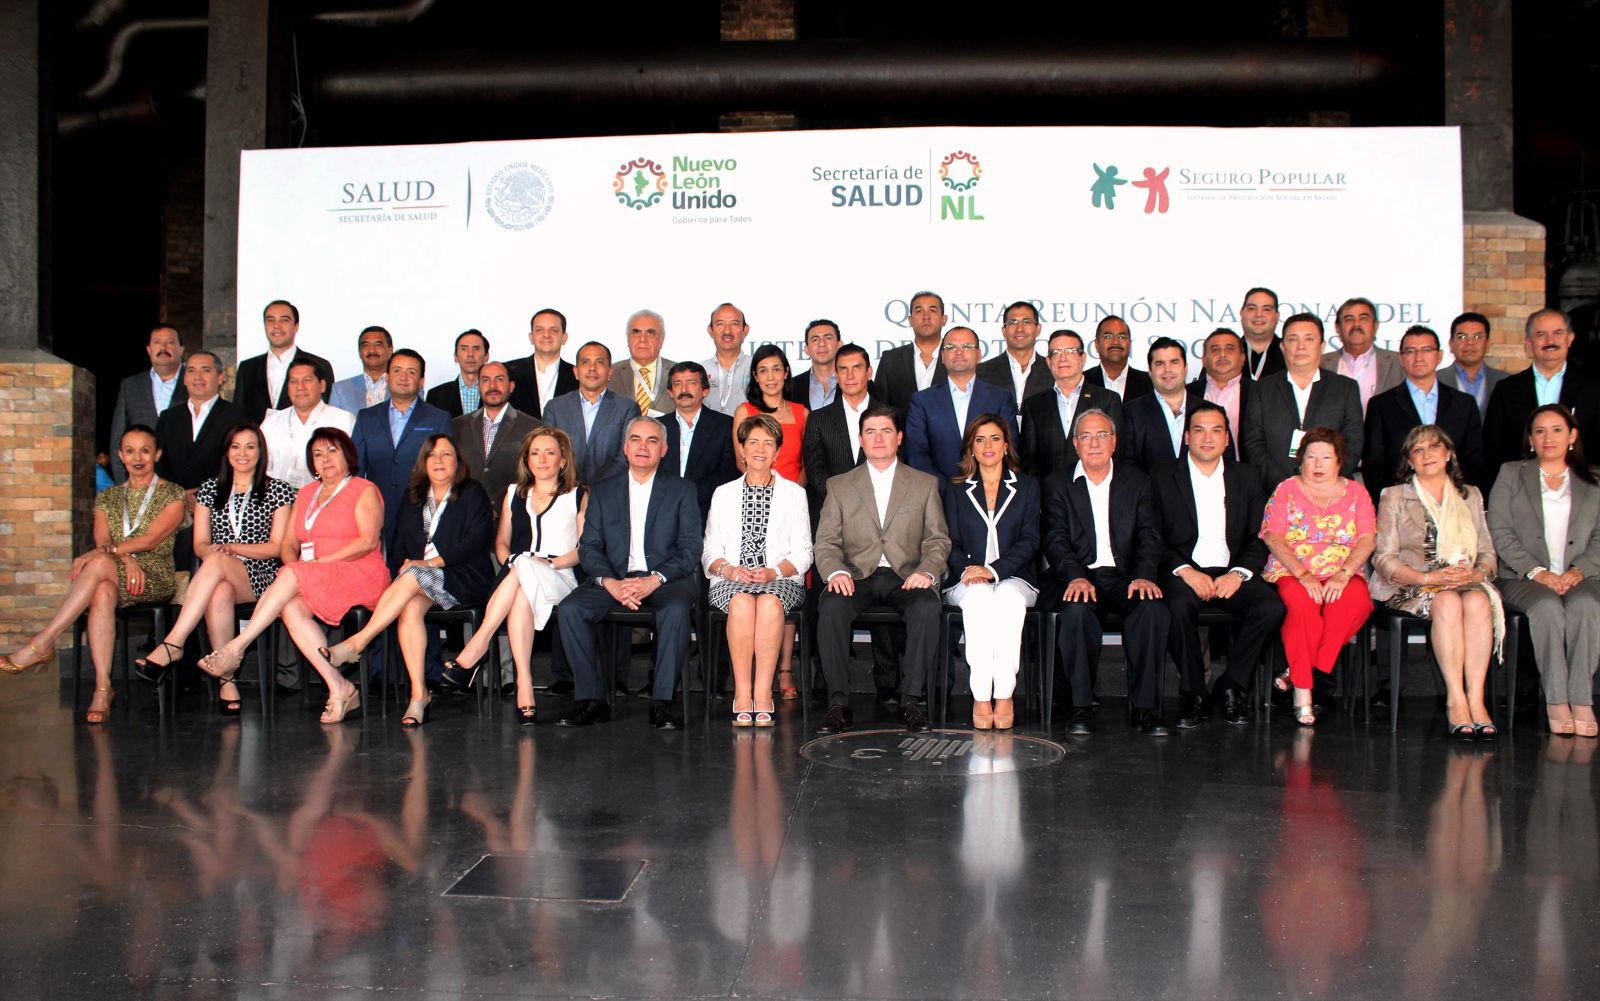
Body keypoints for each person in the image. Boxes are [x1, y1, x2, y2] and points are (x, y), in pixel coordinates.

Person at [197, 427, 388, 724]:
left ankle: (235, 648)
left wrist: (317, 563)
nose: (325, 459)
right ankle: (341, 687)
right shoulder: (306, 494)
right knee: (290, 606)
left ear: (348, 455)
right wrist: (298, 566)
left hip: (358, 572)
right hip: (315, 573)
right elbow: (287, 545)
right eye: (317, 454)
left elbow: (368, 541)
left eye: (332, 451)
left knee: (291, 575)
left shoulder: (363, 489)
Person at [1, 426, 184, 724]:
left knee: (97, 564)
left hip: (153, 574)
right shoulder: (108, 497)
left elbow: (149, 541)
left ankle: (44, 641)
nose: (137, 457)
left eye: (145, 450)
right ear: (120, 456)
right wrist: (124, 558)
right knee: (101, 590)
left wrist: (116, 556)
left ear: (157, 454)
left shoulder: (172, 493)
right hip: (115, 570)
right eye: (130, 450)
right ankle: (102, 687)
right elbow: (102, 543)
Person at [322, 435, 496, 727]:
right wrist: (411, 565)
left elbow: (475, 542)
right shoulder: (414, 497)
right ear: (423, 463)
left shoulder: (471, 492)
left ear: (458, 462)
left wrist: (428, 564)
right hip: (422, 581)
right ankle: (419, 694)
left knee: (412, 576)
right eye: (432, 455)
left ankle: (359, 641)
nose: (438, 461)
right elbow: (399, 543)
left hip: (464, 576)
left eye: (446, 455)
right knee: (410, 608)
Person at [133, 423, 297, 713]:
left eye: (250, 446)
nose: (242, 453)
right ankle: (227, 679)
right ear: (226, 452)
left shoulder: (278, 490)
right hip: (218, 572)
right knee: (218, 589)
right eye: (235, 446)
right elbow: (199, 544)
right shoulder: (210, 489)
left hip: (260, 574)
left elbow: (275, 547)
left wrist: (231, 549)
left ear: (261, 452)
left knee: (215, 561)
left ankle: (173, 644)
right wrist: (218, 553)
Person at [433, 427, 588, 725]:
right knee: (520, 584)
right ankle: (525, 686)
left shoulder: (579, 494)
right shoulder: (513, 494)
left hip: (562, 575)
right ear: (526, 460)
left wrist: (549, 563)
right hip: (518, 578)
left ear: (563, 459)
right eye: (535, 453)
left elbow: (583, 549)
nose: (542, 459)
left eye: (550, 452)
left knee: (524, 567)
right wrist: (517, 562)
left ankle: (476, 648)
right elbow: (501, 545)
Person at [812, 405, 951, 734]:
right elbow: (826, 542)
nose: (878, 438)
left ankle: (911, 701)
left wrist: (928, 570)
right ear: (860, 439)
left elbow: (938, 540)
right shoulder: (839, 485)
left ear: (899, 438)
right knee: (830, 605)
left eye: (886, 431)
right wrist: (836, 573)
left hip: (906, 576)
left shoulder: (924, 484)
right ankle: (839, 703)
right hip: (857, 575)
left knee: (928, 607)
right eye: (870, 432)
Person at [557, 417, 702, 730]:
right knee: (570, 609)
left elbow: (690, 550)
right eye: (635, 439)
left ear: (663, 450)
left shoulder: (681, 490)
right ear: (625, 447)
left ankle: (662, 702)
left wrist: (654, 579)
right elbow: (590, 548)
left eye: (651, 441)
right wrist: (610, 583)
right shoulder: (604, 491)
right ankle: (592, 699)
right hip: (614, 579)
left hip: (665, 579)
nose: (642, 447)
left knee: (676, 610)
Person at [1152, 402, 1283, 727]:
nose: (1207, 438)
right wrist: (1185, 572)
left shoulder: (1247, 477)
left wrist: (1238, 574)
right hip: (1184, 571)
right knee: (1174, 607)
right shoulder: (1162, 477)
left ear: (1227, 439)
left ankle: (1232, 685)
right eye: (1199, 430)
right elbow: (1153, 536)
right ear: (1186, 437)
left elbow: (1260, 536)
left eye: (1216, 431)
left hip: (1233, 571)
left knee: (1270, 608)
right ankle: (1194, 691)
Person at [1041, 409, 1171, 736]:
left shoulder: (1138, 482)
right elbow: (1054, 538)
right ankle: (1081, 708)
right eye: (1086, 436)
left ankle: (1145, 710)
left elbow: (1151, 535)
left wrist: (1144, 574)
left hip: (1127, 576)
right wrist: (1075, 575)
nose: (1094, 443)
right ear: (1075, 444)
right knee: (1076, 612)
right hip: (1080, 575)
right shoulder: (1057, 484)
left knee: (1152, 610)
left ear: (1114, 442)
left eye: (1101, 435)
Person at [1371, 424, 1502, 740]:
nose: (1426, 454)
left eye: (1433, 447)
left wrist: (1477, 574)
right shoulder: (1395, 496)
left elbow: (1487, 552)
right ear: (1409, 461)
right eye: (1418, 450)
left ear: (1448, 454)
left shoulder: (1469, 495)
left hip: (1464, 580)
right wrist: (1427, 578)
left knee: (1476, 600)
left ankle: (1476, 698)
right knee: (1447, 600)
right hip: (1412, 583)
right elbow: (1383, 557)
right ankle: (1456, 699)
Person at [1487, 404, 1600, 737]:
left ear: (1572, 436)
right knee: (1548, 608)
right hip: (1523, 578)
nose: (1547, 437)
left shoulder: (1593, 478)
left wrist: (1581, 569)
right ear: (1530, 440)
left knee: (1586, 606)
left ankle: (1581, 699)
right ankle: (1555, 700)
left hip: (1582, 576)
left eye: (1556, 430)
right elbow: (1500, 529)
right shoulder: (1511, 473)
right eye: (1539, 431)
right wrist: (1536, 571)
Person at [1259, 427, 1377, 727]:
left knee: (1356, 602)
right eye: (1311, 457)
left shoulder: (1356, 491)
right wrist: (1304, 574)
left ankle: (1303, 670)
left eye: (1326, 457)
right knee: (1301, 609)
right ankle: (1303, 692)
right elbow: (1273, 536)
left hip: (1342, 570)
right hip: (1293, 570)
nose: (1318, 464)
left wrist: (1344, 573)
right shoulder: (1287, 488)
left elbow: (1367, 539)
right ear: (1301, 460)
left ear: (1340, 462)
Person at [703, 414, 813, 727]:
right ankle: (742, 692)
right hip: (731, 579)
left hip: (780, 579)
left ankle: (763, 693)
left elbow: (804, 553)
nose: (760, 449)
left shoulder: (795, 494)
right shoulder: (723, 493)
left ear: (778, 452)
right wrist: (730, 571)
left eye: (768, 443)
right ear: (742, 449)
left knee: (767, 602)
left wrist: (773, 572)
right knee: (741, 602)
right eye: (753, 442)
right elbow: (710, 551)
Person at [941, 415, 1040, 730]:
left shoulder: (1026, 486)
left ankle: (1005, 694)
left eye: (995, 438)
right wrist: (971, 572)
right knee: (981, 600)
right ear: (970, 446)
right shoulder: (956, 489)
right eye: (980, 439)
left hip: (1015, 576)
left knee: (1008, 601)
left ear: (1007, 444)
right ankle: (981, 694)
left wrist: (993, 570)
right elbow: (950, 542)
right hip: (967, 579)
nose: (988, 445)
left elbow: (1030, 540)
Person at [1363, 325, 1484, 500]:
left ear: (1440, 355)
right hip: (1401, 506)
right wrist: (1393, 501)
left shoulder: (1464, 404)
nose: (1418, 357)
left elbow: (1475, 460)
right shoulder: (1381, 405)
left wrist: (1459, 496)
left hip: (1455, 502)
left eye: (1426, 350)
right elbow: (1374, 464)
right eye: (1410, 351)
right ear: (1401, 358)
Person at [1242, 313, 1364, 486]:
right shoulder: (1261, 389)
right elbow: (1254, 445)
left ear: (1322, 346)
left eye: (1309, 339)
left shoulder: (1345, 388)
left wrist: (1326, 482)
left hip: (1331, 495)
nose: (1300, 346)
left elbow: (1353, 442)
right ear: (1283, 347)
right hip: (1274, 492)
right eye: (1293, 340)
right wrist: (1287, 486)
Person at [351, 348, 451, 547]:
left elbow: (446, 471)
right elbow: (355, 470)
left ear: (422, 381)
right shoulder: (366, 418)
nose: (403, 377)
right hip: (375, 510)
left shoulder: (439, 418)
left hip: (421, 512)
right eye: (397, 370)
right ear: (387, 377)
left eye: (411, 372)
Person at [1484, 307, 1600, 472]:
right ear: (1529, 342)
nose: (1550, 341)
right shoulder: (1507, 390)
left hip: (1580, 486)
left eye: (1557, 333)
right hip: (1521, 488)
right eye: (1541, 335)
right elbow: (1493, 451)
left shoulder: (1593, 388)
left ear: (1570, 338)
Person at [905, 327, 1017, 481]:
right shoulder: (922, 400)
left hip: (989, 493)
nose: (959, 352)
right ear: (942, 356)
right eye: (951, 347)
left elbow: (1010, 448)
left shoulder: (1000, 398)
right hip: (938, 495)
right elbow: (916, 454)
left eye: (966, 347)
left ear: (979, 354)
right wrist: (946, 489)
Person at [1019, 329, 1125, 477]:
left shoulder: (1108, 400)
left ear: (1083, 358)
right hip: (1048, 495)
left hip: (1095, 492)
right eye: (1056, 352)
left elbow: (1117, 453)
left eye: (1070, 351)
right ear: (1049, 362)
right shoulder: (1033, 405)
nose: (1063, 358)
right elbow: (1029, 461)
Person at [155, 350, 250, 507]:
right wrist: (179, 496)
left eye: (205, 370)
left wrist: (205, 496)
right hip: (173, 508)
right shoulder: (168, 417)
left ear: (220, 377)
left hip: (222, 507)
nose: (197, 377)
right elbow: (158, 461)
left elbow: (243, 462)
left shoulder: (238, 416)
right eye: (191, 371)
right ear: (184, 378)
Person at [544, 341, 642, 485]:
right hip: (562, 490)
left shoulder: (627, 408)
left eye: (599, 362)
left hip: (609, 492)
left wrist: (594, 488)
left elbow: (625, 456)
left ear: (609, 372)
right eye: (585, 362)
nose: (592, 368)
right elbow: (547, 451)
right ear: (576, 372)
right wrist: (572, 487)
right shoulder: (555, 407)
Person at [451, 360, 541, 509]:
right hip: (467, 513)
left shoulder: (532, 426)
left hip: (512, 514)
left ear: (511, 386)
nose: (492, 386)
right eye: (485, 380)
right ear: (478, 386)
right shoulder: (458, 425)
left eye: (499, 379)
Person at [108, 323, 187, 481]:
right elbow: (118, 439)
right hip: (139, 485)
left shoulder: (195, 383)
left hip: (184, 486)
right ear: (149, 349)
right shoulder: (130, 386)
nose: (163, 347)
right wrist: (124, 485)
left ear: (181, 349)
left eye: (170, 342)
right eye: (157, 342)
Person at [662, 361, 738, 524]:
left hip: (709, 513)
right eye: (677, 384)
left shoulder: (725, 425)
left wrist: (687, 495)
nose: (684, 389)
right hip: (663, 513)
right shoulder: (656, 427)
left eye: (691, 383)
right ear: (670, 391)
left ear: (705, 390)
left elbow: (728, 472)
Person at [261, 359, 356, 488]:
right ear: (288, 389)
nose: (300, 387)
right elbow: (261, 468)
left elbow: (353, 468)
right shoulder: (271, 422)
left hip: (330, 499)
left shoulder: (344, 420)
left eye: (307, 380)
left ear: (322, 386)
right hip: (279, 502)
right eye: (293, 381)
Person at [235, 299, 335, 420]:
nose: (276, 326)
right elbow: (238, 414)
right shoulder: (247, 367)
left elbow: (328, 410)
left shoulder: (319, 365)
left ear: (296, 326)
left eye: (284, 320)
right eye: (270, 320)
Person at [734, 345, 809, 486]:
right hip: (755, 495)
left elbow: (808, 465)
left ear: (786, 373)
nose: (770, 377)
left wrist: (793, 493)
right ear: (755, 376)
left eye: (776, 369)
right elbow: (741, 461)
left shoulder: (802, 413)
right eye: (763, 371)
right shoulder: (743, 412)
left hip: (793, 497)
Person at [1124, 337, 1202, 471]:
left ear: (1185, 367)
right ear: (1150, 370)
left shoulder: (1208, 410)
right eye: (1159, 364)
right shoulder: (1130, 412)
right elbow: (1127, 466)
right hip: (1149, 491)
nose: (1167, 370)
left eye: (1174, 362)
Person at [1323, 296, 1403, 414]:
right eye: (1349, 319)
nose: (1356, 324)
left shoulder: (1398, 362)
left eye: (1364, 318)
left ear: (1375, 326)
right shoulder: (1321, 364)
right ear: (1337, 328)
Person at [877, 290, 948, 419]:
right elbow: (880, 409)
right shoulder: (891, 360)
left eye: (932, 310)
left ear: (944, 319)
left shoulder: (957, 359)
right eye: (919, 311)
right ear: (910, 320)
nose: (926, 316)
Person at [976, 301, 1052, 410]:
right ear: (1004, 331)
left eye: (1026, 322)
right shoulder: (981, 372)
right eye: (1013, 322)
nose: (1020, 329)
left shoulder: (1052, 370)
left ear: (1038, 329)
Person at [505, 308, 577, 419]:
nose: (546, 335)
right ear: (531, 337)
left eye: (554, 330)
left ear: (564, 338)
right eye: (539, 330)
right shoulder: (508, 372)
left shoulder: (578, 376)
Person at [1193, 327, 1250, 461]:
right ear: (1204, 360)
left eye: (1230, 349)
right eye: (1215, 349)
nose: (1222, 354)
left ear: (1242, 358)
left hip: (1247, 477)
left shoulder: (1260, 392)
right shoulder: (1188, 393)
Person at [1435, 311, 1507, 417]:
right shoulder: (1435, 380)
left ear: (1488, 344)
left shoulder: (1505, 382)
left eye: (1477, 337)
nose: (1470, 343)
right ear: (1451, 344)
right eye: (1462, 337)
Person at [608, 309, 676, 417]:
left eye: (650, 333)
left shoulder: (678, 372)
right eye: (636, 332)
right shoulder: (610, 374)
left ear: (661, 340)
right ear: (628, 339)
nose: (642, 339)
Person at [1083, 315, 1154, 400]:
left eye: (1122, 337)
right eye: (1108, 336)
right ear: (1096, 344)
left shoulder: (1151, 382)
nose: (1115, 342)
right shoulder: (1082, 381)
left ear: (1130, 343)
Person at [701, 302, 754, 416]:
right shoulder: (700, 371)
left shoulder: (757, 368)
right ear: (711, 330)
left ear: (745, 330)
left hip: (748, 432)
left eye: (734, 324)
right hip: (710, 433)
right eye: (720, 324)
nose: (727, 331)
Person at [425, 329, 490, 417]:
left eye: (476, 348)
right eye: (464, 349)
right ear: (455, 357)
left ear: (486, 356)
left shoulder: (498, 392)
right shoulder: (436, 395)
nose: (470, 354)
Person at [329, 325, 393, 415]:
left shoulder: (406, 385)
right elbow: (333, 426)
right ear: (359, 352)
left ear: (390, 350)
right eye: (366, 345)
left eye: (378, 345)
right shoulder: (340, 389)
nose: (372, 350)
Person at [786, 319, 844, 411]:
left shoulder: (854, 382)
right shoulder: (790, 387)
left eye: (828, 338)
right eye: (815, 339)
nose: (822, 343)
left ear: (839, 345)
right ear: (806, 349)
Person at [1239, 286, 1285, 381]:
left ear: (1277, 316)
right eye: (1252, 308)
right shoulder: (1225, 353)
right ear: (1242, 313)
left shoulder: (1290, 353)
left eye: (1267, 309)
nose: (1259, 314)